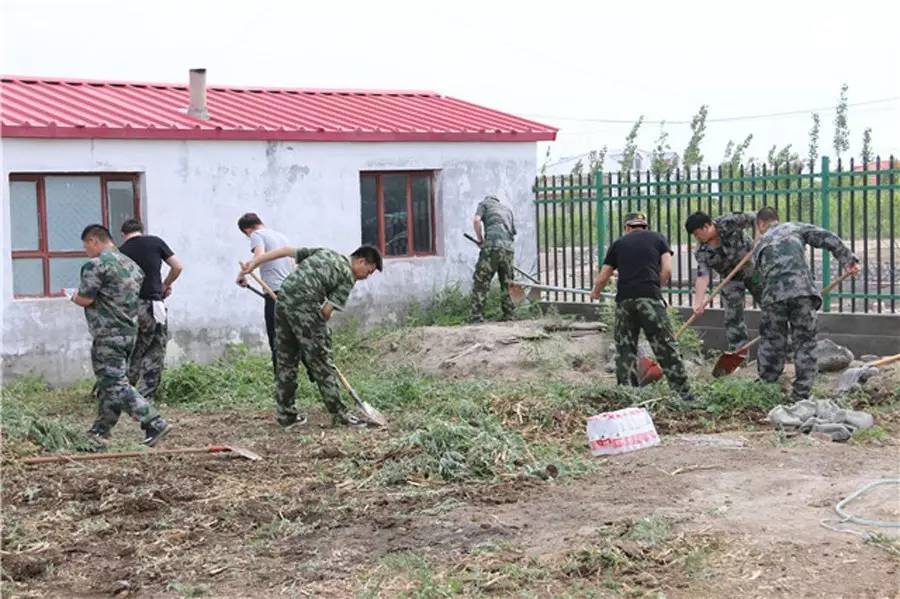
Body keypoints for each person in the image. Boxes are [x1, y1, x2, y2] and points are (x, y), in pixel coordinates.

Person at [237, 245, 383, 428]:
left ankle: (286, 415)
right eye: (368, 272)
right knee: (322, 363)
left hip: (283, 299)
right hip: (305, 305)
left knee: (286, 360)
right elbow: (326, 311)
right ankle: (341, 415)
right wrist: (318, 335)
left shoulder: (326, 251)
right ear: (361, 261)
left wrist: (254, 263)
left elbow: (285, 251)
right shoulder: (348, 276)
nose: (365, 277)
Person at [67, 225, 171, 447]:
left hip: (107, 333)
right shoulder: (131, 266)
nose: (86, 250)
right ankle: (100, 429)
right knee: (110, 381)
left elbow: (86, 299)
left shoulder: (95, 266)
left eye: (86, 245)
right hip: (128, 331)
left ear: (94, 241)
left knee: (115, 382)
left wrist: (72, 296)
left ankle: (153, 421)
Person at [752, 207, 859, 402]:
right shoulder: (794, 227)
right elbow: (826, 237)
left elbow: (759, 277)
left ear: (760, 224)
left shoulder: (760, 244)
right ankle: (801, 395)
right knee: (805, 343)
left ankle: (767, 387)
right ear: (777, 219)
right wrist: (848, 259)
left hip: (773, 297)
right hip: (802, 293)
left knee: (772, 342)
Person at [589, 212, 695, 404]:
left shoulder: (619, 244)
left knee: (625, 349)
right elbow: (668, 269)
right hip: (650, 298)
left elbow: (604, 275)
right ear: (644, 226)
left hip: (625, 302)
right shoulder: (658, 239)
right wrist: (656, 288)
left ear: (627, 227)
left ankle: (627, 395)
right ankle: (683, 395)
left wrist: (595, 292)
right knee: (665, 346)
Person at [118, 219, 183, 402]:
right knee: (156, 349)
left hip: (131, 307)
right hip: (156, 305)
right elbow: (177, 266)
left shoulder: (120, 252)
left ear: (124, 234)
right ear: (141, 230)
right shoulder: (155, 242)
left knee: (134, 349)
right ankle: (146, 395)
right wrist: (166, 284)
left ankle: (124, 393)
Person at [685, 211, 762, 351]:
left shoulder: (728, 221)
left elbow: (756, 218)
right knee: (732, 318)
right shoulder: (702, 251)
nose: (697, 238)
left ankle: (783, 346)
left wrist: (758, 240)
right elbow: (703, 276)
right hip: (730, 278)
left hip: (752, 268)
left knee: (771, 304)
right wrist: (698, 302)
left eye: (697, 233)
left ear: (707, 226)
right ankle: (738, 353)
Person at [235, 213, 294, 370]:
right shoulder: (281, 237)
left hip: (275, 293)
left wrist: (242, 274)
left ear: (247, 230)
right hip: (292, 291)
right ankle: (313, 372)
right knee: (296, 334)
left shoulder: (257, 235)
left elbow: (259, 256)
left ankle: (280, 379)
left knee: (276, 339)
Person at [470, 195, 516, 322]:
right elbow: (512, 233)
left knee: (481, 280)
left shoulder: (484, 204)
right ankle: (509, 315)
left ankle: (477, 317)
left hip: (491, 247)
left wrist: (480, 240)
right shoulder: (507, 210)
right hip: (508, 249)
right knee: (508, 282)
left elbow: (476, 220)